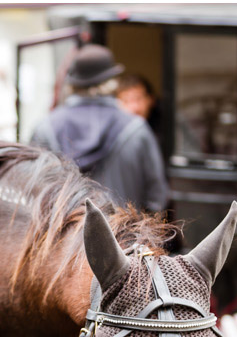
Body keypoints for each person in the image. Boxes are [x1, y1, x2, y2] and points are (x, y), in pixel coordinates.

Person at [30, 45, 167, 213]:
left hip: (62, 237)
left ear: (72, 84)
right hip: (124, 237)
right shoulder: (136, 130)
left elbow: (33, 196)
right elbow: (157, 197)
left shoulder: (46, 128)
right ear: (111, 82)